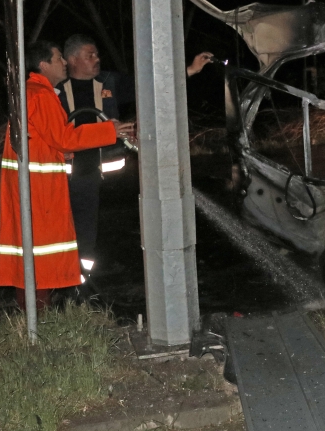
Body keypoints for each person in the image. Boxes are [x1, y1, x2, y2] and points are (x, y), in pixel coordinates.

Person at [58, 34, 213, 276]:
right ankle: (78, 282)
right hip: (73, 176)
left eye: (97, 54)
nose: (97, 59)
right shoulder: (56, 92)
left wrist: (190, 70)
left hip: (112, 178)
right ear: (73, 59)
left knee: (112, 230)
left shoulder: (110, 81)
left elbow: (152, 86)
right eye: (91, 55)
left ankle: (106, 276)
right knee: (76, 230)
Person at [0, 40, 135, 310]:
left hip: (32, 186)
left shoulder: (32, 92)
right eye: (59, 58)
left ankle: (36, 315)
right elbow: (64, 138)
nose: (64, 63)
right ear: (43, 64)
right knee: (42, 252)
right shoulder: (41, 94)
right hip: (39, 190)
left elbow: (44, 140)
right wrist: (110, 131)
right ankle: (37, 316)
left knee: (34, 252)